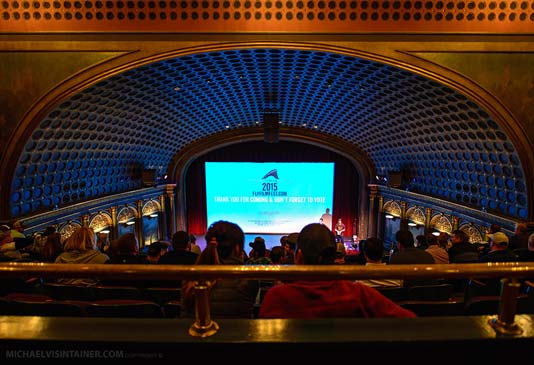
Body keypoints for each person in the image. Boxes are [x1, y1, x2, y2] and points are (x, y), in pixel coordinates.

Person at [259, 223, 415, 319]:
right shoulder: (360, 294)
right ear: (334, 256)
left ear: (298, 257)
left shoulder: (276, 297)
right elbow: (410, 323)